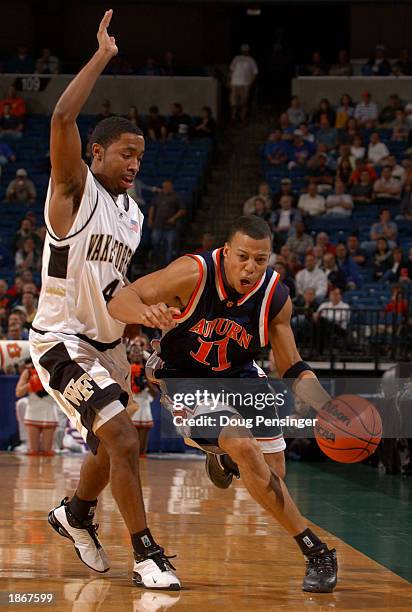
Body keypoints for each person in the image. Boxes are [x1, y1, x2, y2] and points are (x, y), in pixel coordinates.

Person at [28, 11, 180, 590]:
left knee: (110, 444)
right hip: (62, 339)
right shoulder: (74, 189)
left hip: (108, 341)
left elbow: (114, 291)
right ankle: (145, 552)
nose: (135, 164)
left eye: (140, 156)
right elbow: (63, 114)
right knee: (119, 437)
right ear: (94, 155)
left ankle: (76, 513)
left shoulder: (133, 216)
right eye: (125, 153)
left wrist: (145, 315)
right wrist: (103, 56)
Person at [108, 215, 338, 593]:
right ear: (227, 252)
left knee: (274, 470)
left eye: (260, 260)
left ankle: (222, 457)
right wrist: (145, 313)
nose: (250, 268)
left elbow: (292, 365)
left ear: (270, 260)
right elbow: (121, 299)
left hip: (240, 376)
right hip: (185, 377)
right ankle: (317, 552)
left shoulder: (275, 297)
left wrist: (326, 405)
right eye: (243, 257)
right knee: (243, 445)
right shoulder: (192, 273)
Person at [16, 361, 58, 456]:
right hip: (33, 412)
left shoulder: (55, 369)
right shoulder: (29, 371)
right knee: (33, 452)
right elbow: (18, 393)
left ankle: (48, 471)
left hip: (49, 412)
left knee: (47, 453)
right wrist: (31, 384)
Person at [148, 180, 186, 266]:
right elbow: (153, 207)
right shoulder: (158, 196)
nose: (165, 188)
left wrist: (174, 218)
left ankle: (167, 265)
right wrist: (150, 219)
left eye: (167, 187)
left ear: (171, 187)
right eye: (164, 187)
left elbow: (182, 210)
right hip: (158, 225)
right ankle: (156, 261)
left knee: (169, 246)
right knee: (155, 242)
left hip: (170, 227)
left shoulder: (176, 197)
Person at [129, 341, 154, 456]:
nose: (136, 355)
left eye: (139, 353)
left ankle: (142, 459)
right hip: (130, 405)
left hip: (144, 404)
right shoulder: (125, 369)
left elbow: (155, 394)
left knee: (142, 445)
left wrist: (147, 380)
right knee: (129, 438)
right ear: (129, 355)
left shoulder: (147, 372)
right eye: (134, 353)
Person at [229, 44, 258, 123]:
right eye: (243, 50)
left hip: (245, 84)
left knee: (244, 102)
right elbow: (231, 70)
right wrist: (230, 82)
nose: (245, 52)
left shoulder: (251, 60)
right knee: (234, 102)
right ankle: (233, 118)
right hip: (235, 83)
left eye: (246, 50)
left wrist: (250, 84)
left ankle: (243, 118)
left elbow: (254, 73)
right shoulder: (236, 58)